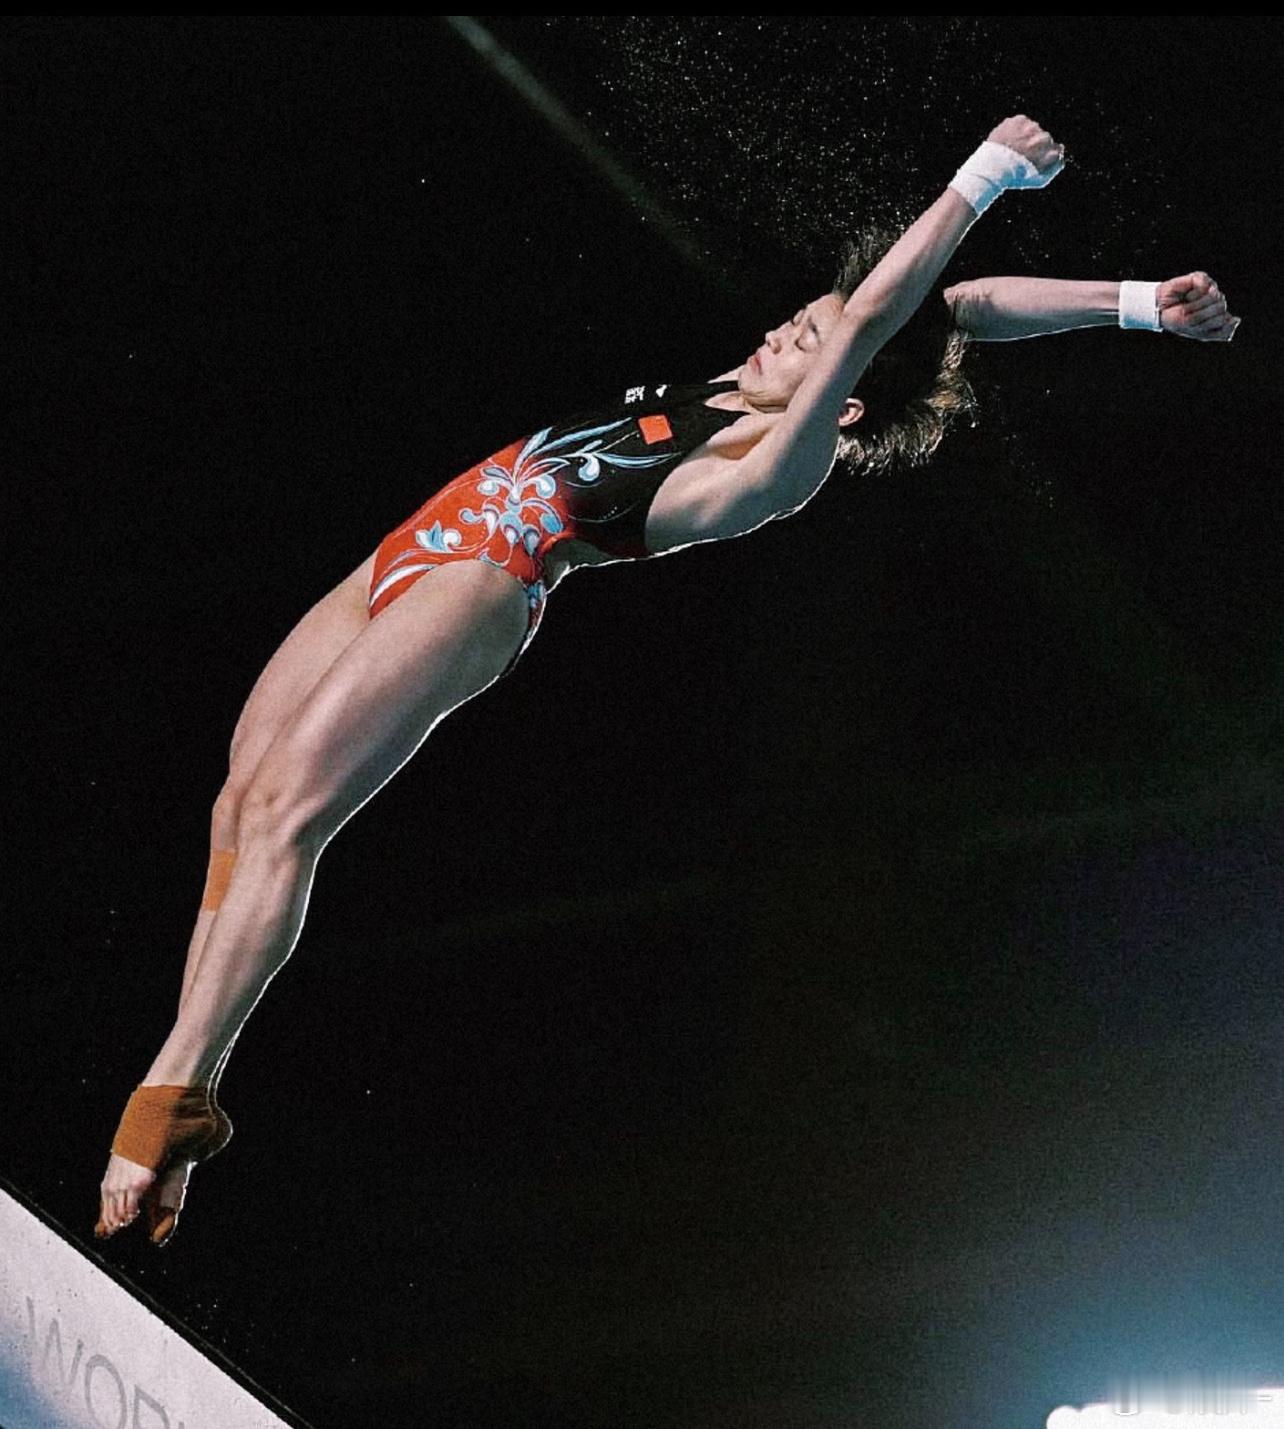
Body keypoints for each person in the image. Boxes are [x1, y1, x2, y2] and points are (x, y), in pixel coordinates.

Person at [95, 114, 1238, 1246]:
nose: (786, 330)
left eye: (809, 339)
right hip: (412, 544)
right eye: (797, 319)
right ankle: (186, 1088)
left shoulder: (775, 462)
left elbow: (880, 317)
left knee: (289, 816)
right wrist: (1138, 301)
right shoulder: (740, 386)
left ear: (841, 398)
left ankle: (170, 1090)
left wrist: (983, 177)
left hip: (487, 576)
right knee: (237, 808)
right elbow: (961, 308)